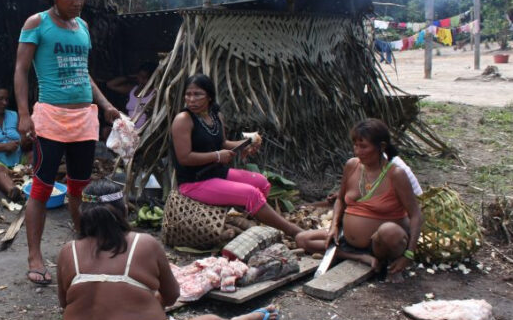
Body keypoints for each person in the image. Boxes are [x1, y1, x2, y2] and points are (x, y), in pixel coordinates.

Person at [29, 179, 279, 320]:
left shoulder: (67, 251)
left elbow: (66, 303)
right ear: (124, 211)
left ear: (82, 215)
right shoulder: (144, 243)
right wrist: (145, 305)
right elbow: (171, 297)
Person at [15, 0, 120, 285]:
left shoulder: (83, 26)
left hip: (83, 118)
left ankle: (84, 246)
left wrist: (105, 104)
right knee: (41, 188)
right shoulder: (37, 23)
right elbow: (21, 70)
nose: (78, 2)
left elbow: (82, 72)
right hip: (51, 117)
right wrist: (23, 114)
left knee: (79, 187)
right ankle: (35, 256)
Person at [171, 73, 304, 239]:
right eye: (188, 94)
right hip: (195, 181)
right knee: (251, 194)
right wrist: (218, 156)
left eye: (197, 94)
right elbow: (184, 157)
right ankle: (292, 230)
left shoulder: (215, 116)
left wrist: (246, 143)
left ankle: (250, 224)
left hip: (217, 172)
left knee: (262, 183)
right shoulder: (183, 120)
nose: (191, 99)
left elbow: (223, 143)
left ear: (210, 97)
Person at [296, 118, 423, 278]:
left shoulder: (396, 174)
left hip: (380, 243)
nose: (357, 151)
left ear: (381, 147)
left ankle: (382, 258)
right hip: (347, 239)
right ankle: (360, 258)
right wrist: (334, 225)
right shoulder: (352, 165)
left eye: (363, 146)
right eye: (355, 145)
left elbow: (416, 215)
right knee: (302, 239)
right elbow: (341, 199)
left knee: (389, 232)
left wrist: (409, 254)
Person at [105, 60, 158, 128]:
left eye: (145, 78)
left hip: (146, 133)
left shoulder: (155, 93)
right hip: (129, 130)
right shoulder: (132, 89)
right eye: (140, 76)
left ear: (152, 78)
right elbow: (110, 84)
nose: (142, 80)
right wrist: (130, 77)